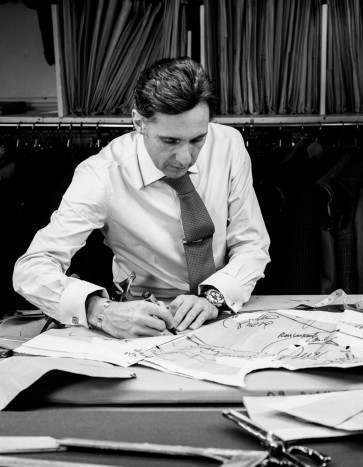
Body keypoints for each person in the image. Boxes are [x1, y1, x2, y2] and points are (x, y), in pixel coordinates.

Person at [13, 57, 270, 337]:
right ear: (138, 122)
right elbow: (31, 269)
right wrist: (99, 310)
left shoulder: (228, 145)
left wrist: (213, 298)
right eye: (170, 141)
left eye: (197, 140)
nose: (185, 158)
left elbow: (251, 243)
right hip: (142, 323)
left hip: (222, 312)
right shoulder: (101, 175)